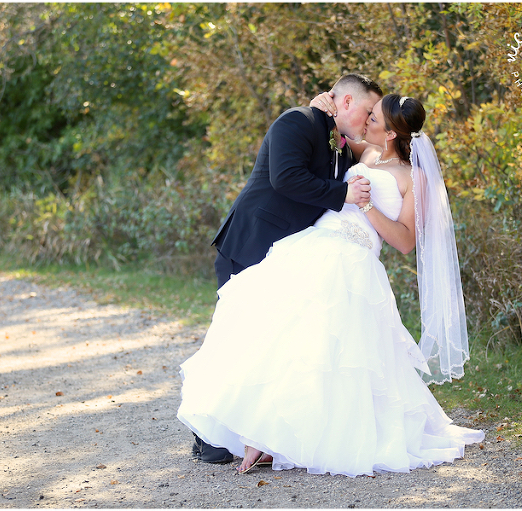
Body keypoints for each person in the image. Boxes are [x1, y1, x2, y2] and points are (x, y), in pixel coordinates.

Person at [178, 93, 484, 477]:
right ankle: (262, 430)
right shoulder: (365, 153)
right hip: (313, 243)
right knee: (280, 331)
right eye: (368, 113)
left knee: (327, 350)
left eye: (373, 118)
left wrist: (368, 207)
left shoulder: (414, 177)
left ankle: (284, 436)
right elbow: (331, 132)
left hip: (352, 258)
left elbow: (405, 241)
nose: (366, 120)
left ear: (390, 133)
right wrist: (319, 105)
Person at [194, 73, 383, 464]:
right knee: (232, 337)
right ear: (345, 102)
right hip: (250, 244)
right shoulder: (296, 122)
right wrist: (342, 194)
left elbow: (378, 146)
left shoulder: (342, 146)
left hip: (287, 256)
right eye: (366, 111)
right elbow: (285, 178)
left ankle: (248, 429)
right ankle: (204, 433)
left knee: (264, 344)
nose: (367, 121)